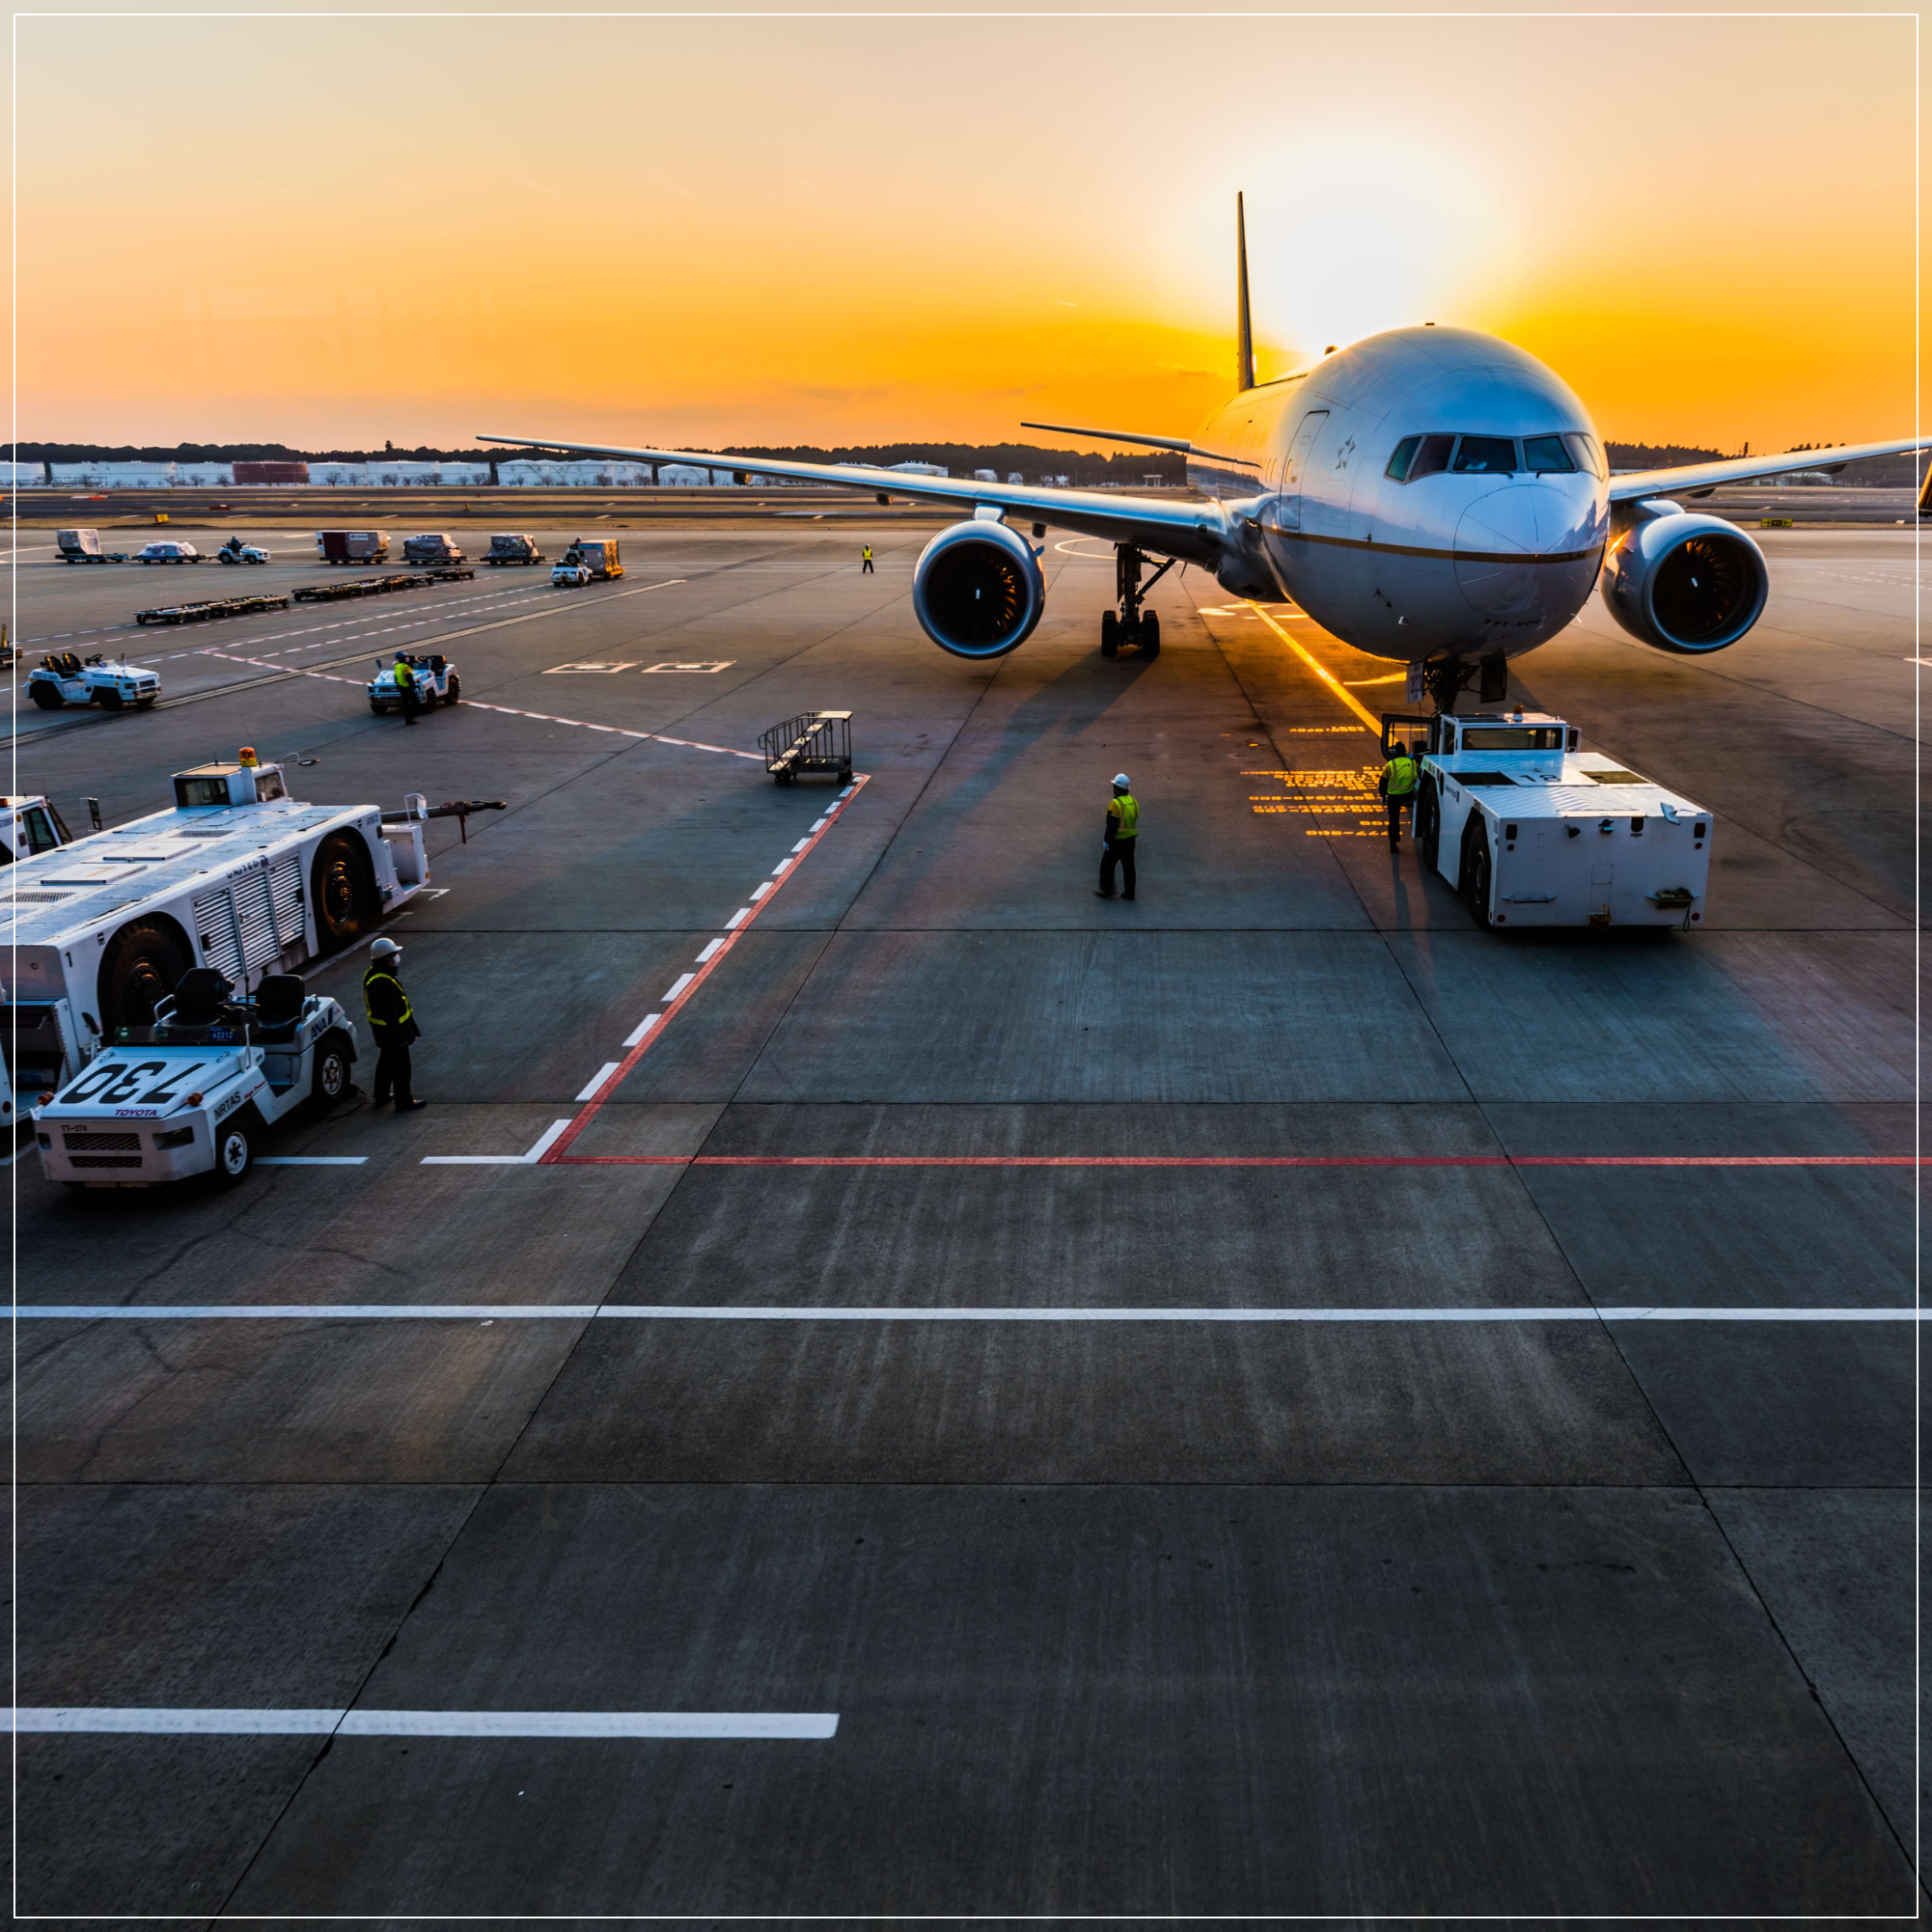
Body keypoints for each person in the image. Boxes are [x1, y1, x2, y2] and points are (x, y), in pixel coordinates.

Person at [363, 936, 426, 1113]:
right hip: (393, 1032)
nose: (397, 958)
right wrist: (400, 1037)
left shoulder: (372, 974)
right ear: (386, 959)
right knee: (401, 1068)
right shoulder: (383, 983)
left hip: (382, 1032)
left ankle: (381, 1096)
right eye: (394, 955)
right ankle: (404, 1101)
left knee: (386, 1063)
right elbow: (390, 1014)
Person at [1096, 772, 1139, 899]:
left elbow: (1111, 826)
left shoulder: (1115, 804)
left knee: (1106, 866)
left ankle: (1107, 891)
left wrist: (1107, 841)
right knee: (1129, 867)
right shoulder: (1133, 802)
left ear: (1118, 789)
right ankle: (1129, 893)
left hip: (1117, 841)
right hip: (1130, 840)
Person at [1381, 739, 1421, 846]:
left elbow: (1383, 782)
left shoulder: (1390, 764)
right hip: (1408, 795)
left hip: (1393, 796)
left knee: (1393, 820)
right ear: (1405, 752)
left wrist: (1383, 796)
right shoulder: (1413, 763)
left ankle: (1393, 843)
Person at [393, 652, 421, 726]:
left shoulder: (397, 666)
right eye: (405, 657)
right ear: (402, 658)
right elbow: (410, 679)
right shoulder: (406, 667)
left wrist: (399, 686)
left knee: (406, 705)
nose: (406, 658)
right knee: (416, 703)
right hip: (409, 688)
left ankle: (408, 720)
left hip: (402, 688)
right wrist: (415, 688)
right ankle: (412, 716)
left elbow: (395, 678)